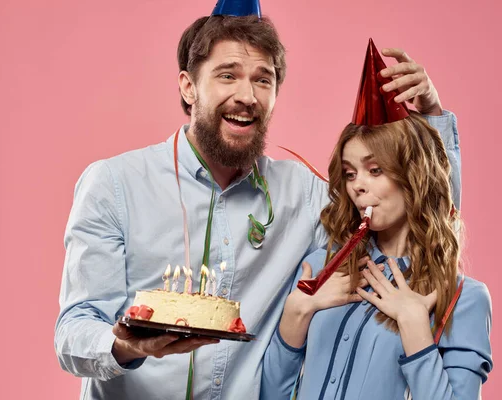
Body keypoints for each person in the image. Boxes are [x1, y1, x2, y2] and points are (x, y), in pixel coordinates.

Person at [54, 1, 462, 399]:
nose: (247, 95)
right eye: (227, 76)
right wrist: (128, 347)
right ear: (188, 86)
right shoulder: (114, 184)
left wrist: (432, 119)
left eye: (263, 79)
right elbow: (74, 329)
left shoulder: (301, 194)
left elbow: (413, 217)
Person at [260, 39, 492, 400]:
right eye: (350, 174)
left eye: (375, 169)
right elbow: (272, 394)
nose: (358, 188)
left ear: (413, 177)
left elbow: (442, 201)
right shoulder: (319, 270)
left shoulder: (461, 298)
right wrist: (295, 316)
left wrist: (416, 329)